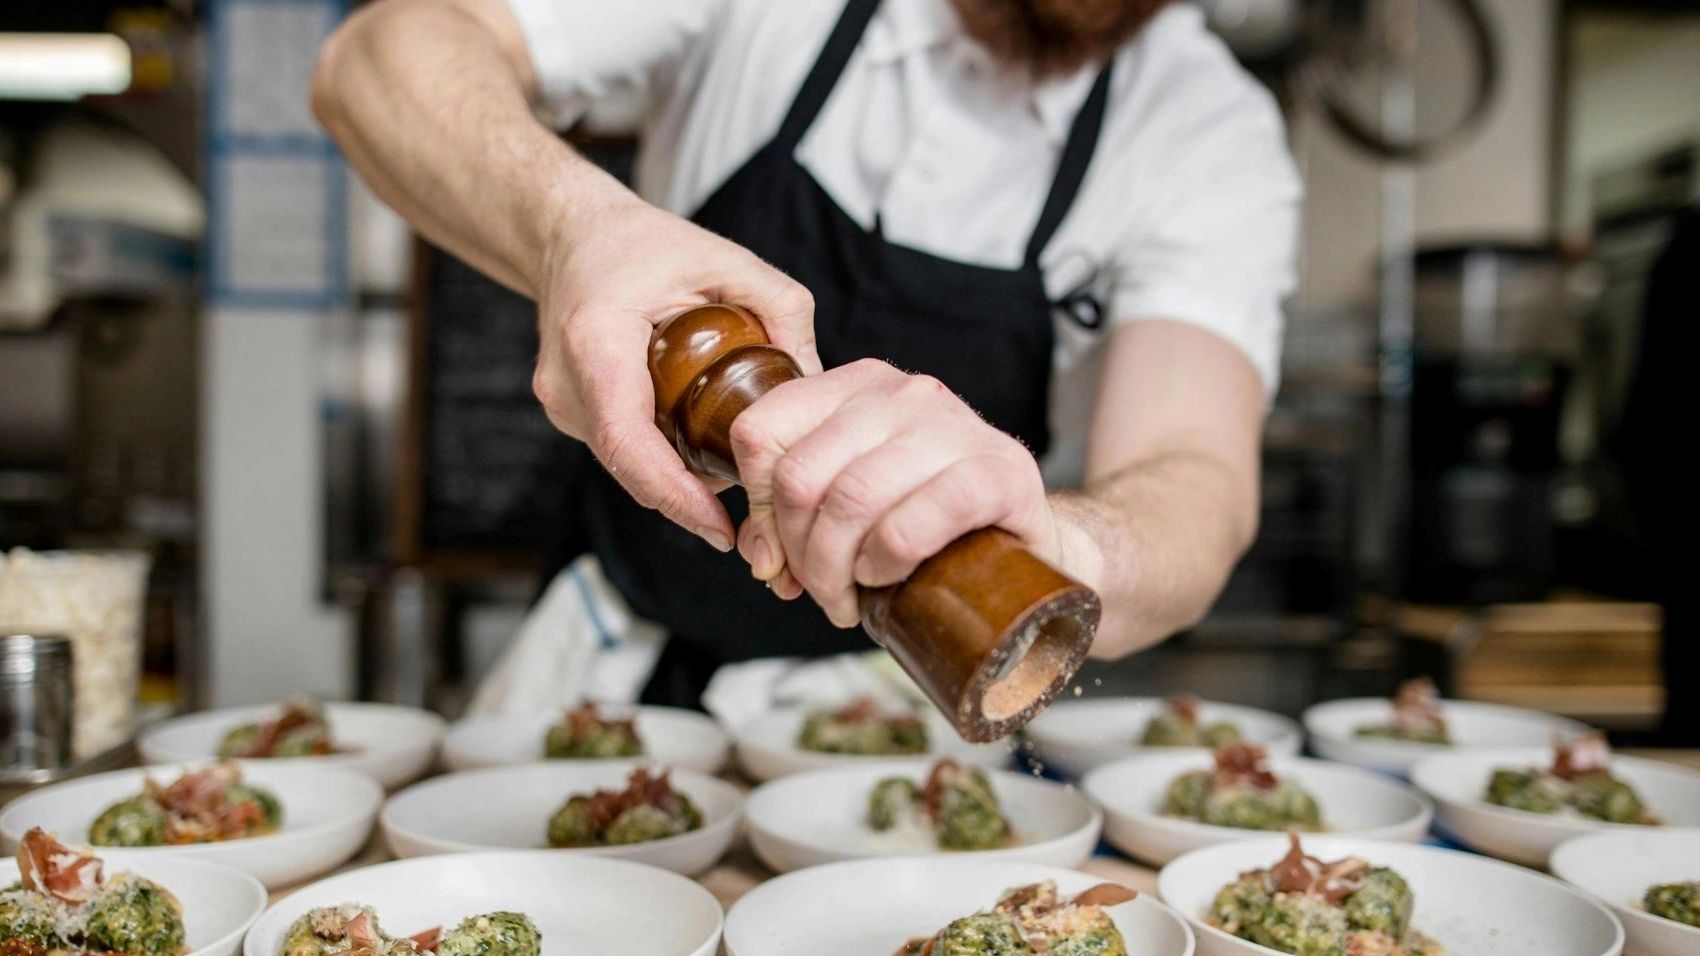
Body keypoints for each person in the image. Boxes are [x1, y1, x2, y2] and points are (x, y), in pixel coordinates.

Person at [311, 0, 1301, 707]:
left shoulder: (1206, 128)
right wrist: (576, 231)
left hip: (902, 709)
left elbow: (1194, 478)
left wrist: (1061, 543)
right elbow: (373, 59)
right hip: (621, 654)